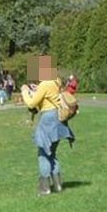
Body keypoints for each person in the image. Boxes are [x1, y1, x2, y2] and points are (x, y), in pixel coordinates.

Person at [22, 55, 74, 196]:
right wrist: (37, 88)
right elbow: (48, 93)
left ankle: (44, 188)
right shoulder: (56, 81)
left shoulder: (45, 84)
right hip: (58, 118)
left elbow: (31, 103)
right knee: (52, 153)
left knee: (43, 153)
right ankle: (58, 186)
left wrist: (25, 91)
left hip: (48, 119)